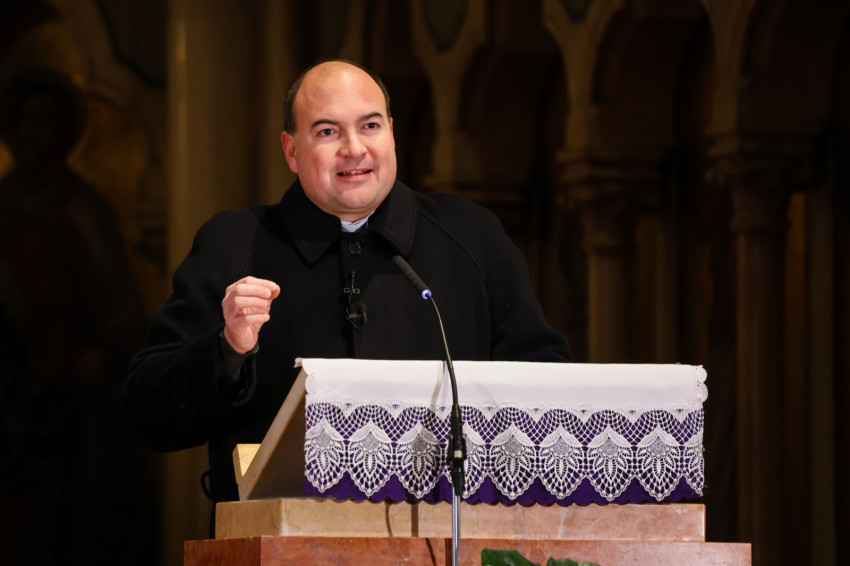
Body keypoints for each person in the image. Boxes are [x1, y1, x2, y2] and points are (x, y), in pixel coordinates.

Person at [122, 60, 571, 508]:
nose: (354, 149)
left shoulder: (470, 237)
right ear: (291, 151)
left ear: (392, 132)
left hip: (449, 531)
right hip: (279, 536)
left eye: (370, 126)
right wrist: (227, 351)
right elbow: (147, 416)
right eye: (327, 132)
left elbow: (547, 389)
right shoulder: (234, 246)